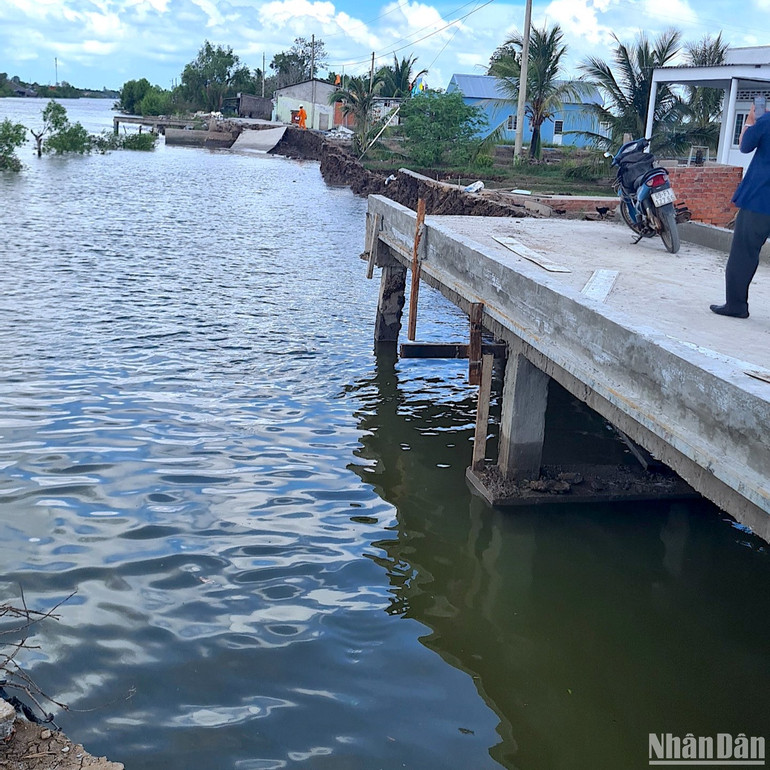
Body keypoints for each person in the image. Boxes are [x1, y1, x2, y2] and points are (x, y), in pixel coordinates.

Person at [710, 102, 770, 318]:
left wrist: (751, 119)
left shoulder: (766, 121)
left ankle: (736, 305)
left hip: (760, 200)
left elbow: (744, 145)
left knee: (744, 253)